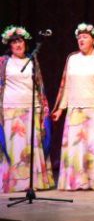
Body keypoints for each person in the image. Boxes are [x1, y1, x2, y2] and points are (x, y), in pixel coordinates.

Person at [52, 23, 94, 190]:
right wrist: (60, 108)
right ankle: (77, 180)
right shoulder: (72, 59)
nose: (81, 40)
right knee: (77, 147)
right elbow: (66, 85)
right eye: (79, 37)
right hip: (76, 109)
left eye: (85, 37)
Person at [0, 25, 54, 192]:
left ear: (25, 43)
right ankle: (14, 183)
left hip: (32, 108)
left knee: (32, 145)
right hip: (10, 109)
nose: (18, 45)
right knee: (14, 146)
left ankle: (34, 182)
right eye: (14, 42)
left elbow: (39, 85)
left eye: (20, 41)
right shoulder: (3, 62)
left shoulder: (32, 60)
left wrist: (43, 107)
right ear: (9, 45)